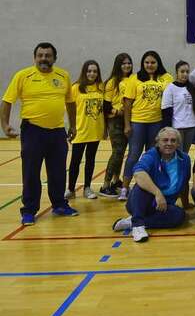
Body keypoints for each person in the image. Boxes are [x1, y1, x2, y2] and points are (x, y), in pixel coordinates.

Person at [1, 43, 78, 224]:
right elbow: (6, 101)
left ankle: (59, 205)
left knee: (58, 172)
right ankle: (29, 210)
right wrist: (4, 125)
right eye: (40, 55)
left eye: (48, 55)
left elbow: (70, 103)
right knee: (31, 173)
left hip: (58, 132)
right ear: (35, 57)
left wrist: (73, 126)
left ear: (54, 58)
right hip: (32, 131)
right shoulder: (23, 76)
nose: (44, 58)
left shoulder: (63, 76)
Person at [111, 127, 189, 242]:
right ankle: (137, 225)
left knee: (179, 216)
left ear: (178, 144)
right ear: (158, 143)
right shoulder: (152, 155)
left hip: (163, 205)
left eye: (173, 140)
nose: (169, 143)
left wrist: (185, 204)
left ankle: (132, 222)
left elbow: (185, 182)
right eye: (165, 140)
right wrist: (157, 193)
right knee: (141, 186)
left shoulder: (184, 159)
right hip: (142, 202)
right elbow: (138, 173)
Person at [120, 50, 172, 202]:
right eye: (147, 62)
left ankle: (149, 186)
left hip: (157, 122)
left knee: (153, 156)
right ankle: (124, 187)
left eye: (153, 62)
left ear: (158, 63)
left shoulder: (166, 78)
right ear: (143, 64)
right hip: (138, 122)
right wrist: (127, 125)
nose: (150, 65)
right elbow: (127, 103)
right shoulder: (134, 79)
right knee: (134, 155)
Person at [66, 60, 106, 200]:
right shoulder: (76, 88)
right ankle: (70, 189)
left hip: (95, 130)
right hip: (80, 130)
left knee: (90, 160)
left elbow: (104, 110)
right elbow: (70, 109)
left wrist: (105, 129)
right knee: (75, 161)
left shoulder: (101, 87)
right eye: (89, 71)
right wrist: (71, 127)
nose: (92, 74)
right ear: (84, 72)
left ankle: (87, 187)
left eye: (95, 71)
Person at [100, 52, 133, 197]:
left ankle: (115, 180)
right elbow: (105, 105)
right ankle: (105, 185)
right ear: (118, 65)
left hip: (128, 119)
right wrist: (117, 111)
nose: (127, 65)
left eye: (129, 62)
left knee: (121, 153)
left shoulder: (133, 79)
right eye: (124, 63)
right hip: (116, 121)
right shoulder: (112, 82)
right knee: (117, 152)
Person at [162, 60, 195, 154]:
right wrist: (168, 129)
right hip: (177, 128)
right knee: (177, 154)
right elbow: (166, 111)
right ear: (177, 73)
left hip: (191, 126)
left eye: (187, 72)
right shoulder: (170, 88)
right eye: (182, 72)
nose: (185, 74)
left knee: (185, 154)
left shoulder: (192, 88)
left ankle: (184, 169)